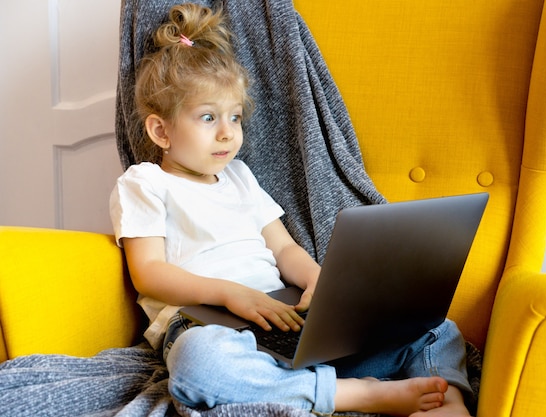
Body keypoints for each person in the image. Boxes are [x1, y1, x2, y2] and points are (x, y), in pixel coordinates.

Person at [110, 3, 473, 416]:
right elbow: (150, 273)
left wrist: (321, 283)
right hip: (208, 326)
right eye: (208, 117)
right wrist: (232, 294)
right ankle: (352, 394)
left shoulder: (240, 177)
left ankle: (445, 399)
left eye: (235, 117)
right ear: (161, 130)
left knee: (435, 328)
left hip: (281, 316)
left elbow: (283, 250)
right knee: (199, 365)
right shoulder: (145, 183)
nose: (228, 132)